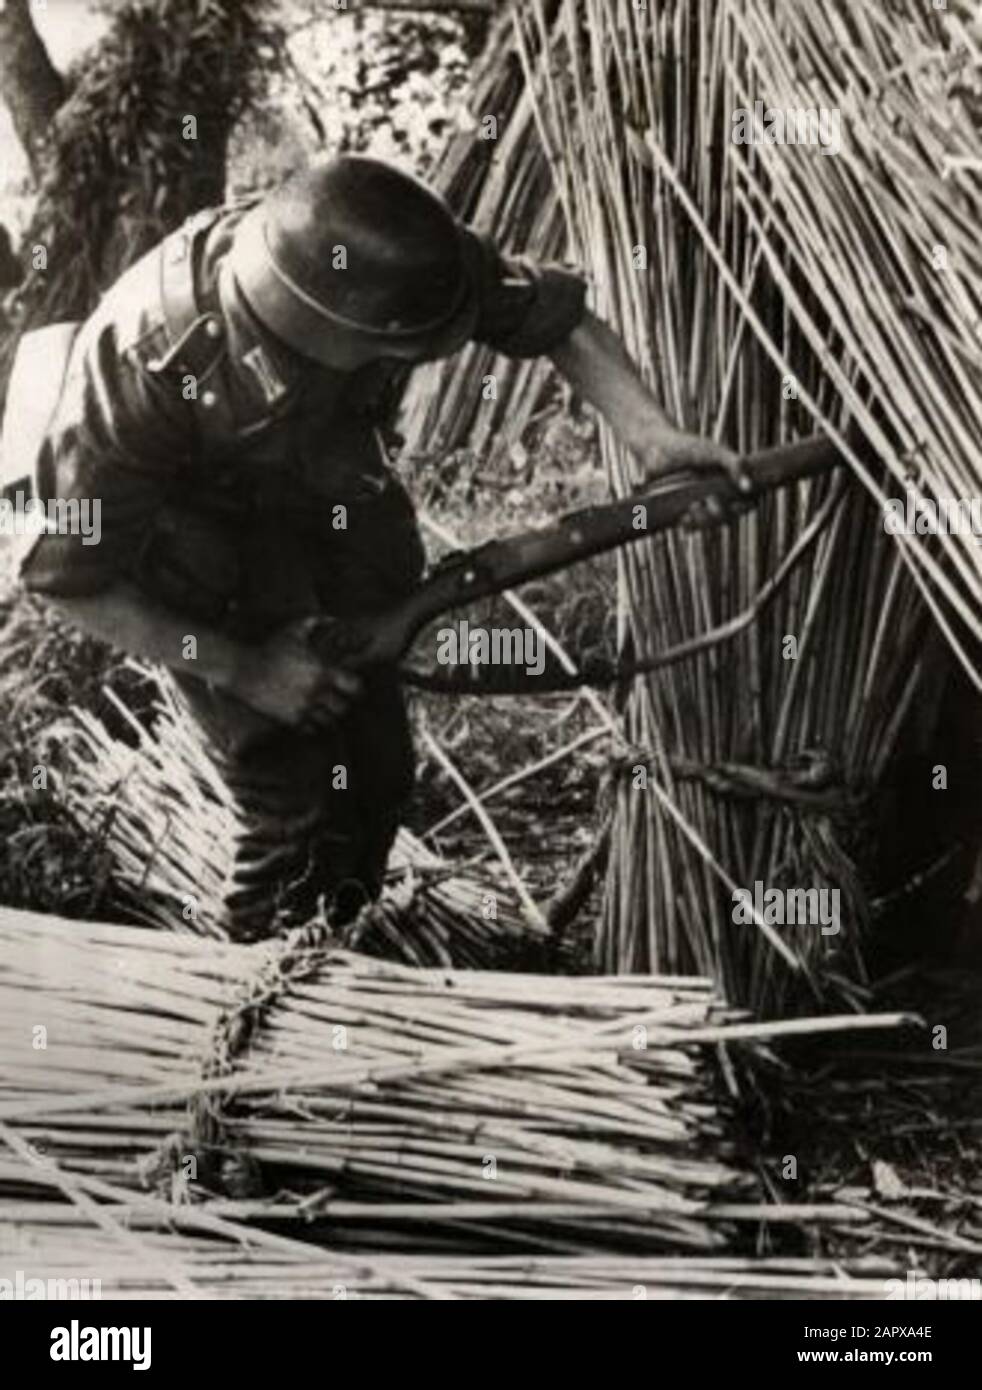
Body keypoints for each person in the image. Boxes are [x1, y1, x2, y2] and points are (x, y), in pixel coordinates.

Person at [12, 155, 742, 938]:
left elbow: (556, 318)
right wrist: (246, 668)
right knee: (294, 808)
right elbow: (67, 579)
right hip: (197, 566)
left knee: (378, 775)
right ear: (321, 332)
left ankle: (339, 963)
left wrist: (654, 438)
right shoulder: (143, 373)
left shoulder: (401, 263)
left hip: (325, 509)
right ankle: (248, 1000)